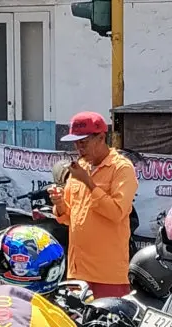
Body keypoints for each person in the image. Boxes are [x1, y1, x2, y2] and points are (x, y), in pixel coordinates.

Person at [48, 111, 138, 299]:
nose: (79, 148)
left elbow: (117, 213)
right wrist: (59, 203)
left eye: (84, 142)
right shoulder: (79, 168)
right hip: (77, 272)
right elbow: (68, 217)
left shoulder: (121, 168)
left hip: (108, 276)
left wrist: (88, 182)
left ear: (101, 138)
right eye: (76, 143)